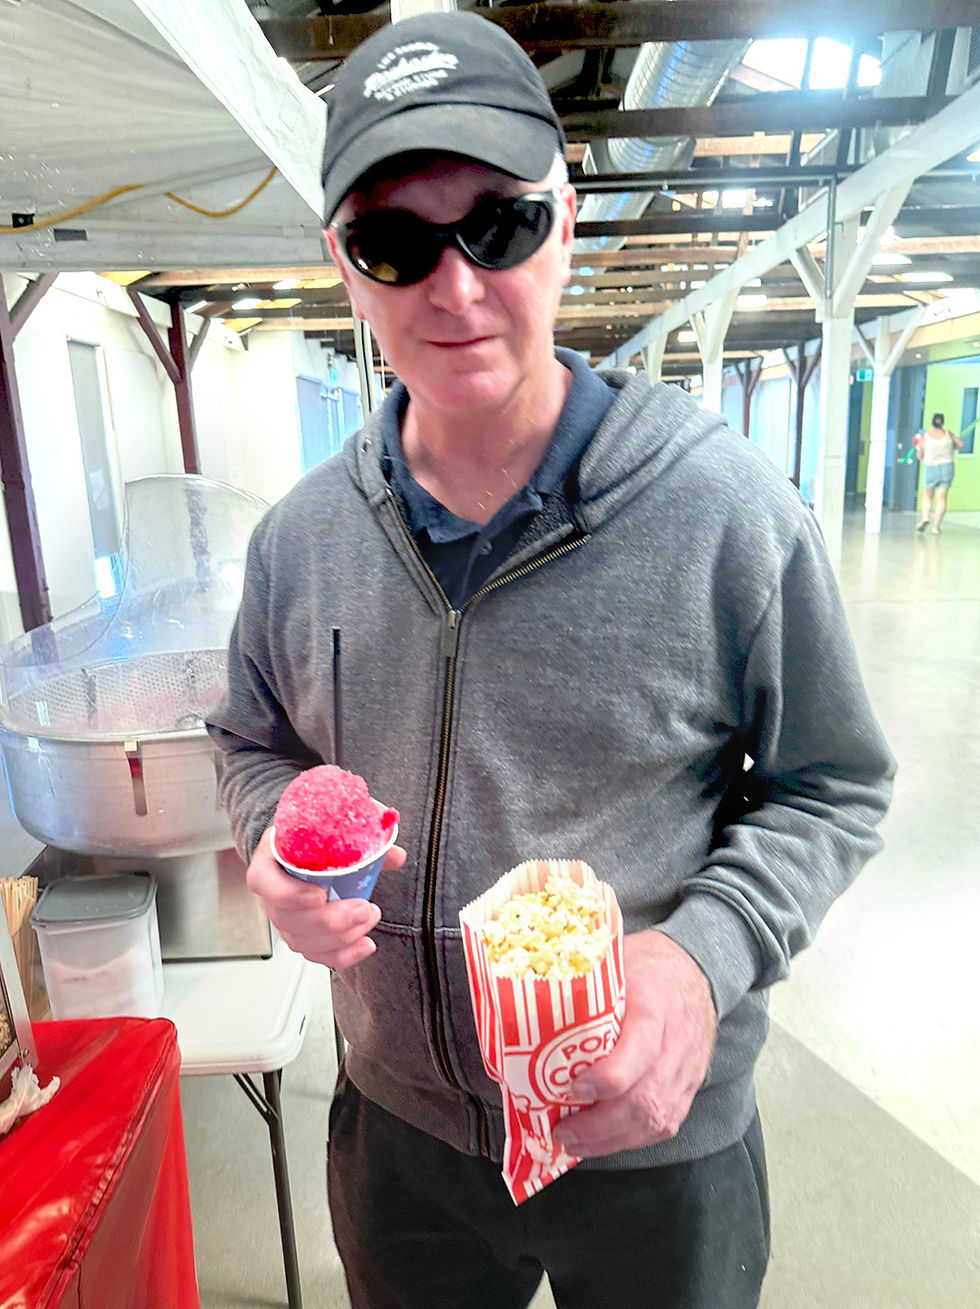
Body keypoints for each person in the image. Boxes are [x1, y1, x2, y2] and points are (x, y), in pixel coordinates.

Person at [207, 12, 895, 1308]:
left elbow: (834, 783)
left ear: (564, 220)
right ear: (343, 266)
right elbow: (251, 738)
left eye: (500, 226)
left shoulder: (723, 515)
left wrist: (705, 955)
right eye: (395, 243)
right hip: (401, 1134)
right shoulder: (299, 544)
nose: (454, 287)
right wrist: (275, 837)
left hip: (653, 1142)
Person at [916, 411, 963, 534]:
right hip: (947, 467)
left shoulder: (925, 437)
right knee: (941, 498)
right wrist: (952, 448)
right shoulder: (949, 434)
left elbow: (920, 456)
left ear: (931, 423)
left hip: (931, 467)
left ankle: (925, 518)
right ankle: (936, 528)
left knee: (927, 496)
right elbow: (961, 444)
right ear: (943, 423)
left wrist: (919, 449)